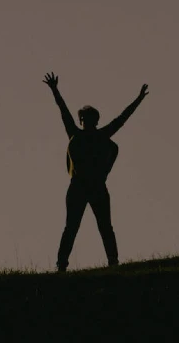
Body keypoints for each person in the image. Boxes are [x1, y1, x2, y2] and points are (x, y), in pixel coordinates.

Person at [43, 72, 148, 272]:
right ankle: (62, 264)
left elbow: (122, 118)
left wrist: (139, 99)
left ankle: (112, 261)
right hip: (79, 186)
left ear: (95, 121)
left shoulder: (99, 136)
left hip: (95, 186)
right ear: (81, 120)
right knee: (73, 227)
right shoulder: (79, 134)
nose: (86, 121)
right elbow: (63, 111)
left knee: (103, 226)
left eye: (90, 118)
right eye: (84, 118)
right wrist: (55, 90)